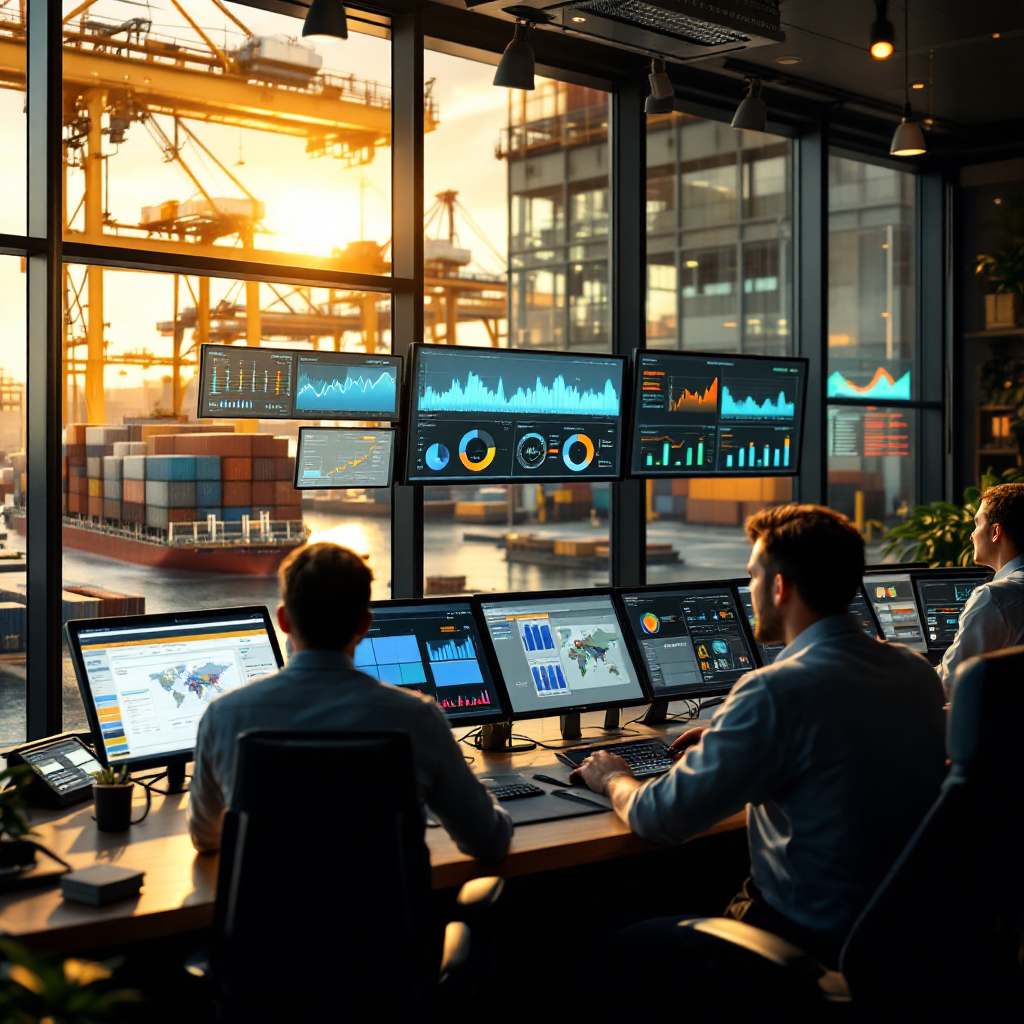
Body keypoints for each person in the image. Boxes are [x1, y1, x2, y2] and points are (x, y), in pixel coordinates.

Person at [570, 504, 946, 968]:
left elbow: (658, 817)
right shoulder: (915, 673)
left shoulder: (774, 692)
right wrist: (733, 736)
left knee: (598, 948)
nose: (749, 591)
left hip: (802, 939)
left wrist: (613, 777)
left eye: (752, 576)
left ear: (779, 587)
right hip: (901, 938)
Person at [188, 542, 512, 861]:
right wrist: (484, 797)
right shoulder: (418, 718)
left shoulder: (223, 716)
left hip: (269, 913)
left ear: (284, 621)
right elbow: (487, 842)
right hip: (383, 914)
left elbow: (205, 838)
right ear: (365, 625)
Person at [938, 483, 1024, 693]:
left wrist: (905, 663)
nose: (972, 535)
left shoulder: (993, 598)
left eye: (977, 524)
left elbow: (950, 683)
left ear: (995, 532)